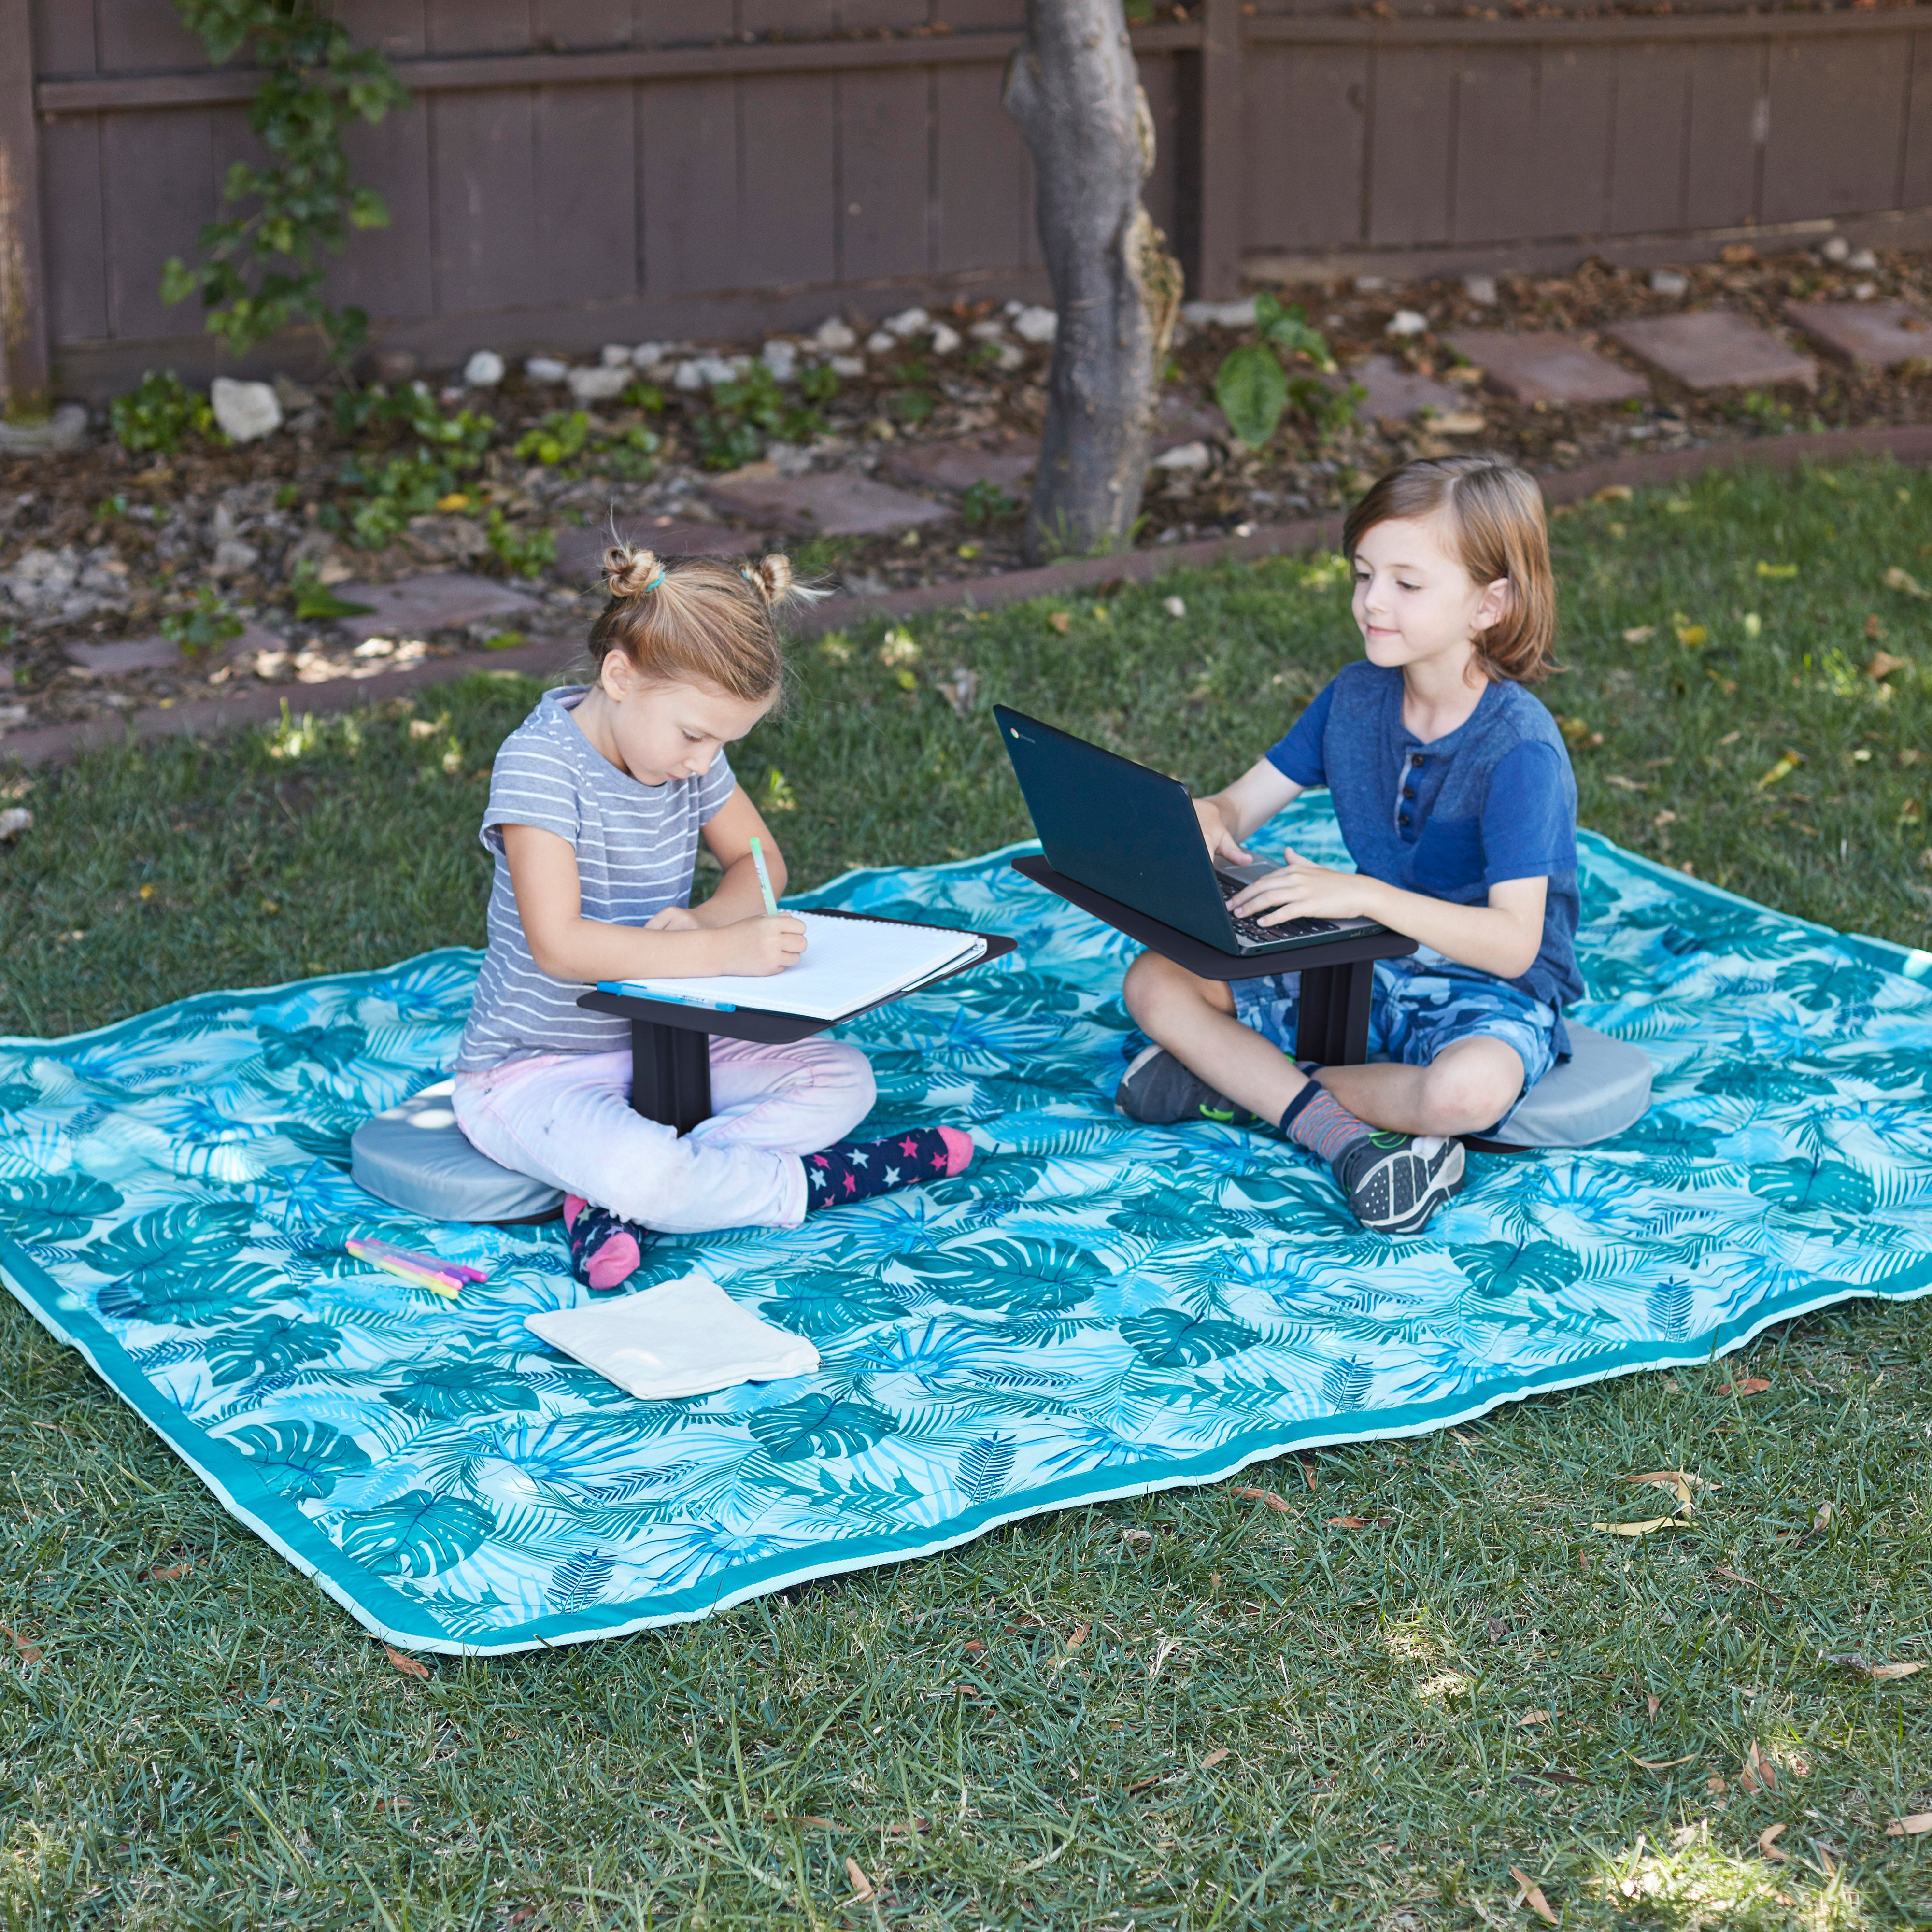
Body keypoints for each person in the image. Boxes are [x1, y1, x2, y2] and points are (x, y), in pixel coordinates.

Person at [452, 544, 973, 1289]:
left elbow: (761, 867)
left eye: (724, 743)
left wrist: (703, 926)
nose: (705, 761)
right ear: (620, 676)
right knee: (646, 1170)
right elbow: (560, 946)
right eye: (697, 736)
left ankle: (614, 1202)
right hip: (535, 1069)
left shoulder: (684, 754)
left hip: (673, 1043)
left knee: (845, 1079)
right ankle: (816, 1184)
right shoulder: (539, 765)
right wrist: (721, 953)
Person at [1116, 455, 1582, 1237]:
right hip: (1364, 967)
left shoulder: (1521, 749)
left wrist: (1362, 895)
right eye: (1363, 575)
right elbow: (1242, 802)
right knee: (1155, 982)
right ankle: (1332, 1129)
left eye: (1407, 584)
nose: (1371, 602)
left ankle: (1244, 1086)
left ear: (1488, 605)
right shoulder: (1355, 696)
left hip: (1489, 993)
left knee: (1465, 1095)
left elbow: (1513, 945)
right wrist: (1205, 816)